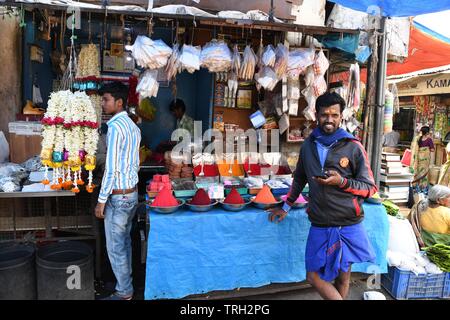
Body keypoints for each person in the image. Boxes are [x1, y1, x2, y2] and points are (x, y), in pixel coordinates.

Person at [267, 92, 378, 300]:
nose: (329, 119)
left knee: (343, 278)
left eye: (334, 115)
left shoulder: (353, 146)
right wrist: (285, 207)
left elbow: (370, 188)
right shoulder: (308, 145)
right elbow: (299, 178)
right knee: (313, 275)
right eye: (325, 114)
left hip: (348, 223)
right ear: (316, 115)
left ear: (341, 116)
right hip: (320, 222)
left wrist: (342, 182)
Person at [94, 82, 141, 300]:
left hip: (118, 197)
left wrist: (101, 200)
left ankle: (124, 292)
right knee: (125, 243)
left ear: (119, 102)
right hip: (131, 194)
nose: (103, 103)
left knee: (116, 248)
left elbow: (111, 169)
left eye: (106, 99)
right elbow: (135, 163)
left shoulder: (114, 128)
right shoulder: (134, 127)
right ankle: (126, 286)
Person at [410, 126, 435, 193]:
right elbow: (432, 150)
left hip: (418, 159)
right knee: (424, 173)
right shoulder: (429, 140)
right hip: (425, 160)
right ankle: (423, 187)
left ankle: (416, 186)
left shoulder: (418, 139)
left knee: (418, 171)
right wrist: (432, 162)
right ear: (427, 132)